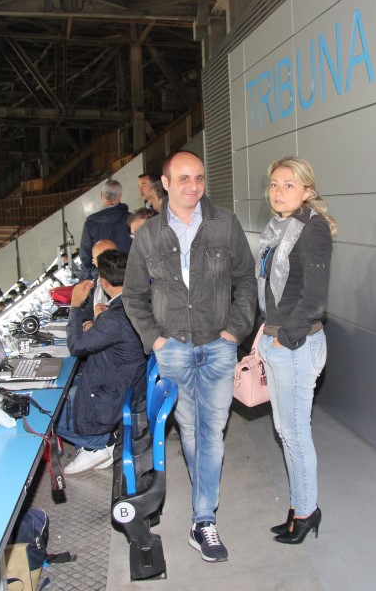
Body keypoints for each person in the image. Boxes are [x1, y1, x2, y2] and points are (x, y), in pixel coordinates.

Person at [123, 150, 257, 563]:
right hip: (174, 350)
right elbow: (133, 294)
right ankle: (204, 512)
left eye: (198, 177)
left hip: (218, 347)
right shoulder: (149, 234)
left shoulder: (224, 223)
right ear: (165, 184)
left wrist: (234, 331)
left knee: (211, 432)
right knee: (192, 432)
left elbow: (246, 281)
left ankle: (203, 520)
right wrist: (155, 340)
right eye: (183, 178)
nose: (193, 186)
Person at [256, 156, 336, 545]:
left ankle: (306, 512)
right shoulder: (279, 228)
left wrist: (283, 338)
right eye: (274, 184)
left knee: (295, 432)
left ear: (307, 190)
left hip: (297, 345)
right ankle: (298, 505)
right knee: (285, 431)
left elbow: (314, 298)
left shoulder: (313, 228)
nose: (279, 191)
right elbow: (277, 292)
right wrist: (265, 330)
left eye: (289, 184)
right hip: (280, 340)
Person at [60, 250, 146, 474]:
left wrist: (75, 305)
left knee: (52, 408)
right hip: (127, 381)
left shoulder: (113, 319)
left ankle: (96, 445)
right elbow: (115, 336)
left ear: (104, 283)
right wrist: (97, 324)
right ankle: (96, 442)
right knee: (69, 384)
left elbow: (76, 346)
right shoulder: (137, 303)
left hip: (113, 393)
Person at [78, 179, 132, 279]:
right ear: (120, 197)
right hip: (129, 274)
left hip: (102, 276)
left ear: (101, 195)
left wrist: (88, 277)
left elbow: (85, 255)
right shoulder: (131, 219)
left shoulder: (91, 223)